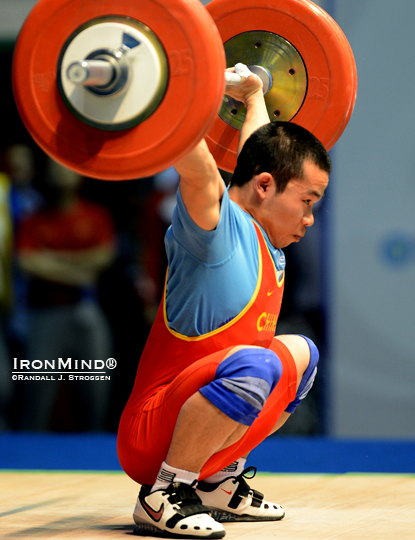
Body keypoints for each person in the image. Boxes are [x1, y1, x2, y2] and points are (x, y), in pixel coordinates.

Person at [117, 64, 331, 538]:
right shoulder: (213, 230)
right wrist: (173, 87)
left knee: (301, 355)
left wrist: (254, 93)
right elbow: (192, 161)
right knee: (257, 364)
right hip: (152, 433)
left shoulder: (268, 236)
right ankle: (163, 494)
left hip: (200, 418)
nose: (310, 219)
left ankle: (214, 479)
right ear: (265, 188)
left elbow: (258, 154)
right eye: (309, 201)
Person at [16, 158, 116, 431]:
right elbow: (27, 263)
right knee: (37, 396)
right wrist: (80, 270)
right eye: (54, 166)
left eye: (67, 166)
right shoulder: (33, 221)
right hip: (44, 315)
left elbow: (103, 258)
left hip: (88, 313)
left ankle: (96, 458)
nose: (61, 171)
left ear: (81, 175)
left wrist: (50, 261)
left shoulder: (96, 215)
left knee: (97, 392)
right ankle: (27, 462)